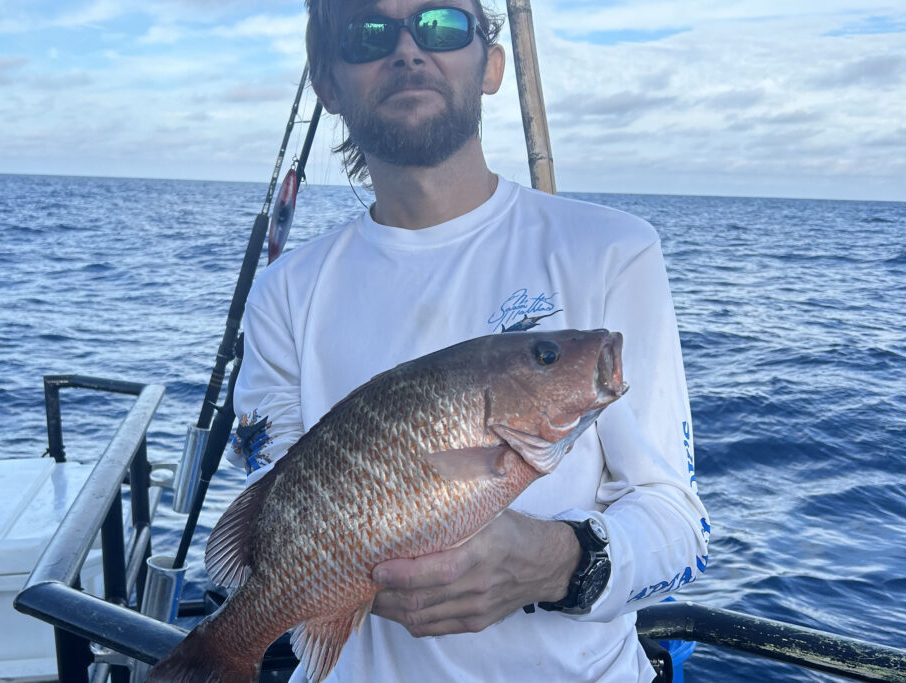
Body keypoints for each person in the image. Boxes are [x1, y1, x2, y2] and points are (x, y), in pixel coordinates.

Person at [228, 0, 710, 680]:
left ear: (491, 65)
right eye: (368, 33)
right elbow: (281, 517)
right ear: (327, 82)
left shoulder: (613, 250)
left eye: (442, 24)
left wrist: (554, 561)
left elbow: (679, 528)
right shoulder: (284, 291)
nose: (407, 49)